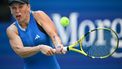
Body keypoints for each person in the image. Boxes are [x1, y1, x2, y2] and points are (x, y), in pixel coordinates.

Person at [6, 0, 65, 69]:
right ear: (10, 10)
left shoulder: (39, 15)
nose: (17, 11)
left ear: (28, 6)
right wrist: (39, 48)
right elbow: (20, 51)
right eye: (14, 8)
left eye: (21, 7)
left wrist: (58, 45)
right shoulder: (12, 30)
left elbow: (54, 35)